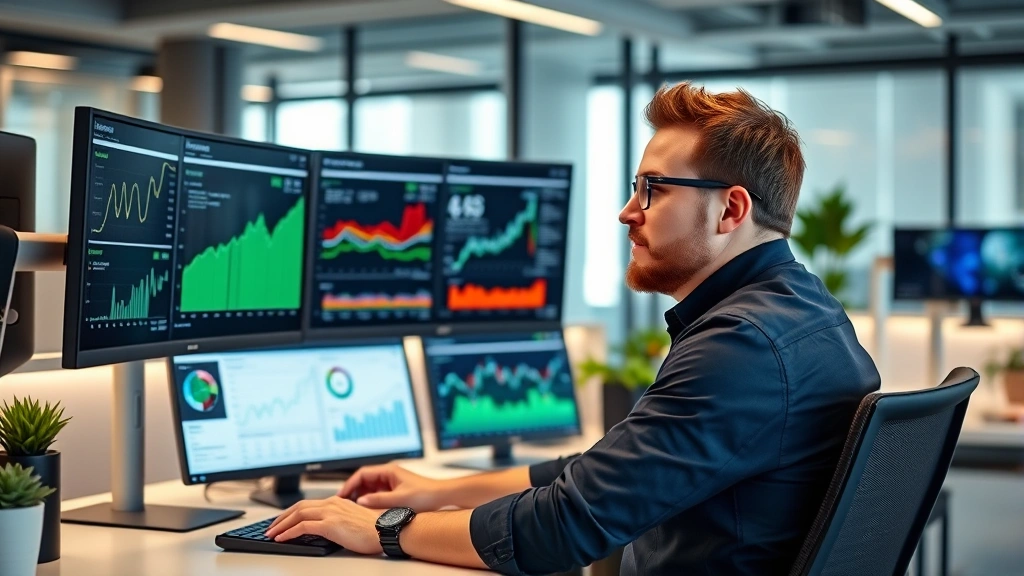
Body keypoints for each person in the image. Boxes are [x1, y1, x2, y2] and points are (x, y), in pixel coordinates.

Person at [264, 82, 881, 575]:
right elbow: (606, 472)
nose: (627, 211)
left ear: (732, 209)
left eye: (653, 189)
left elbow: (562, 527)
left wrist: (382, 530)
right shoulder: (803, 311)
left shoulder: (742, 346)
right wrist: (429, 493)